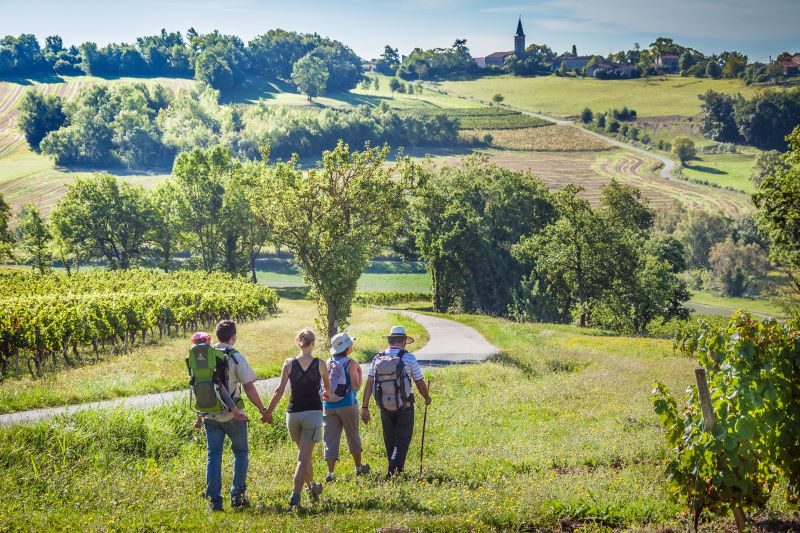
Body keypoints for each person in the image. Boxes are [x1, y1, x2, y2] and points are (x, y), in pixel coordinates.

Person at [198, 320, 270, 512]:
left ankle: (214, 501)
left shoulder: (204, 355)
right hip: (233, 415)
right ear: (233, 337)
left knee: (213, 456)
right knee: (240, 453)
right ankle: (237, 496)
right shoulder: (235, 356)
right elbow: (248, 387)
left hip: (209, 413)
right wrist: (262, 409)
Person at [263, 328, 332, 508]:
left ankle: (312, 486)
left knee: (304, 456)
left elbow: (279, 391)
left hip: (292, 414)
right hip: (313, 413)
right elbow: (328, 389)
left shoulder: (288, 363)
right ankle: (296, 494)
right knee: (303, 458)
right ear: (313, 343)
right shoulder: (320, 364)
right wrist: (324, 392)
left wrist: (268, 412)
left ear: (298, 342)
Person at [361, 325, 431, 478]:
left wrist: (365, 406)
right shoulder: (409, 358)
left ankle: (394, 471)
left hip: (384, 407)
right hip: (405, 405)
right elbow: (419, 382)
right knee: (402, 440)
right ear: (404, 341)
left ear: (390, 340)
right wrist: (426, 397)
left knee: (390, 439)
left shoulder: (377, 358)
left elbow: (369, 383)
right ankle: (393, 471)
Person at [322, 332, 370, 482]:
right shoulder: (351, 363)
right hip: (347, 404)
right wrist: (360, 373)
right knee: (352, 435)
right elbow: (356, 386)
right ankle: (358, 467)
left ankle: (330, 472)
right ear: (347, 348)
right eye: (350, 343)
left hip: (328, 404)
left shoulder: (327, 362)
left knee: (330, 438)